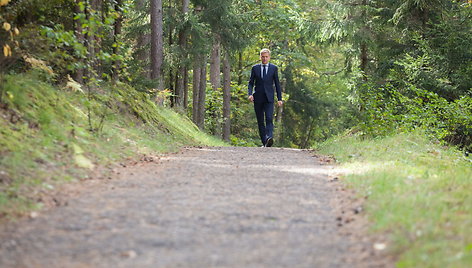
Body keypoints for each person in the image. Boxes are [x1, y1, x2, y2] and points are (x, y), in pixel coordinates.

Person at [248, 48, 283, 147]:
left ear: (269, 57)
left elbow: (277, 84)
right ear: (260, 57)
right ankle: (264, 141)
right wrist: (250, 94)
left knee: (269, 118)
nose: (264, 59)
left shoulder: (273, 68)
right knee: (260, 120)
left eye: (266, 57)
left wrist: (279, 98)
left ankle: (269, 137)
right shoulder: (255, 68)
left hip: (269, 98)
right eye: (263, 57)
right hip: (258, 97)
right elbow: (251, 83)